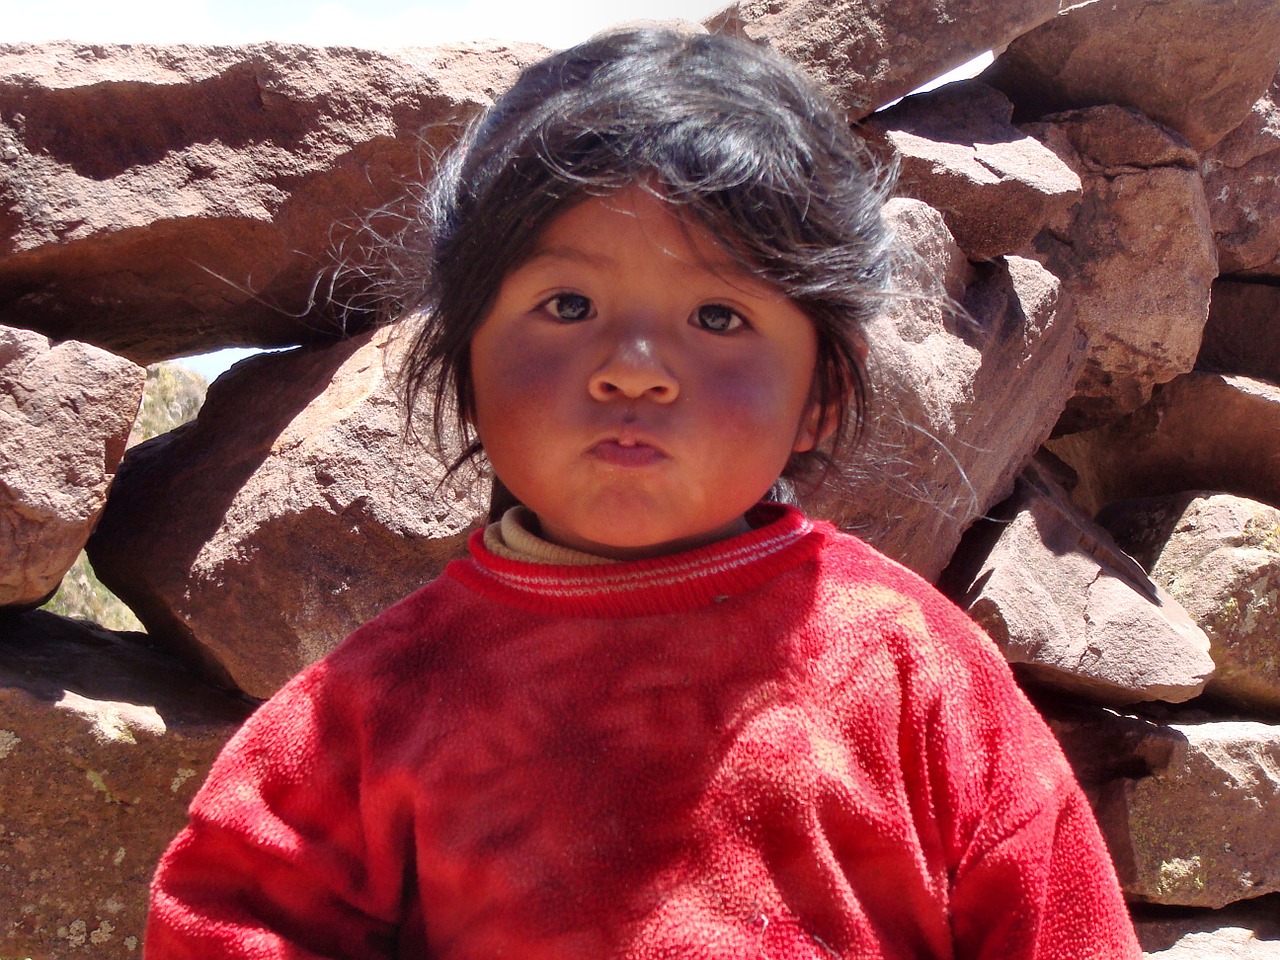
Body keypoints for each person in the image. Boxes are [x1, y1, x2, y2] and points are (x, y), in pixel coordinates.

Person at [145, 27, 1140, 959]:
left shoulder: (911, 672)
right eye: (565, 304)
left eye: (716, 314)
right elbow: (228, 922)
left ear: (819, 398)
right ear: (463, 371)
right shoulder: (372, 710)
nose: (632, 367)